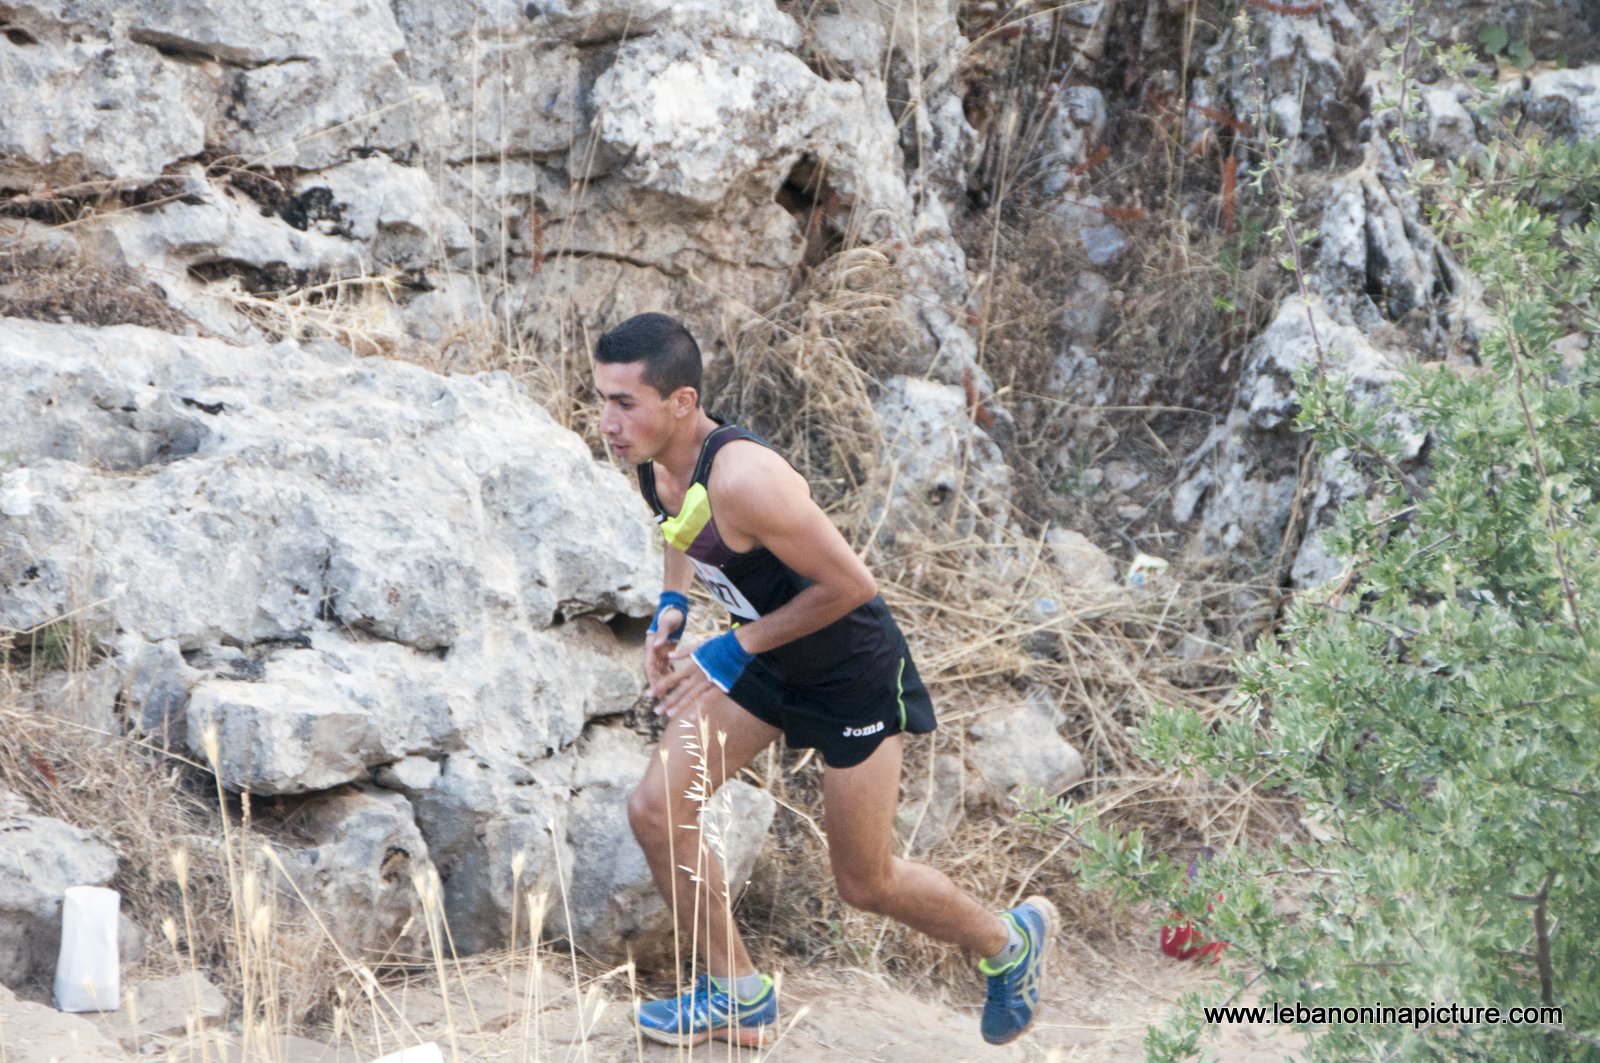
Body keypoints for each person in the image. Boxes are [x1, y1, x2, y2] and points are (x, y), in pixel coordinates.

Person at [593, 312, 1056, 1048]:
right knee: (656, 809)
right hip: (768, 664)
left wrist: (732, 647)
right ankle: (738, 995)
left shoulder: (746, 478)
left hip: (851, 678)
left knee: (865, 882)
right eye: (603, 400)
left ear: (681, 401)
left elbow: (851, 585)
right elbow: (679, 529)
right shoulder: (654, 460)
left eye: (625, 403)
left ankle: (1010, 942)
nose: (608, 422)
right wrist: (674, 605)